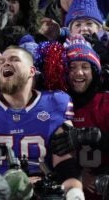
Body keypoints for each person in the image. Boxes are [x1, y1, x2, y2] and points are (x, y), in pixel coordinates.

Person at [0, 46, 85, 199]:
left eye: (14, 59)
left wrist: (74, 192)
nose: (5, 63)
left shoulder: (55, 102)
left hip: (40, 190)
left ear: (32, 71)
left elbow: (64, 161)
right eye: (1, 61)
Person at [50, 35, 109, 200]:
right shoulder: (54, 104)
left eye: (85, 66)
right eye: (72, 66)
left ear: (94, 71)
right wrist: (77, 176)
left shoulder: (106, 102)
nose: (78, 73)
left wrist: (94, 136)